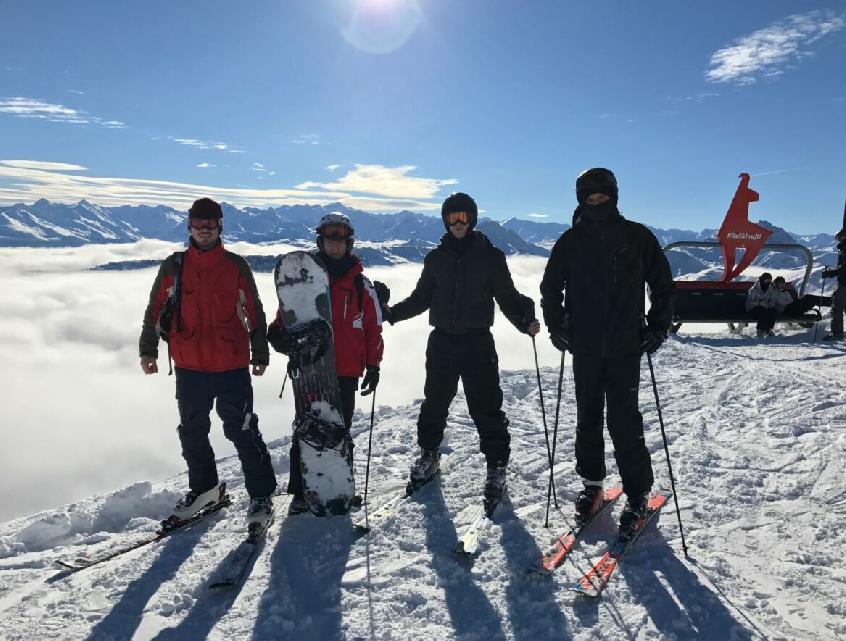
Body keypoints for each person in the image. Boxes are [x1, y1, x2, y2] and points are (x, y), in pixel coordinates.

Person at [380, 192, 539, 516]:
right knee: (435, 403)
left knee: (486, 407)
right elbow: (421, 297)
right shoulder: (435, 259)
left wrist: (525, 320)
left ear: (473, 219)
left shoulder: (491, 257)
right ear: (445, 221)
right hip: (442, 343)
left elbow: (507, 297)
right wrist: (390, 313)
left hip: (478, 343)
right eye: (452, 218)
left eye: (463, 217)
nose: (458, 223)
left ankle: (496, 467)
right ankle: (429, 456)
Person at [540, 167, 675, 536]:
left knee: (623, 420)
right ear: (581, 199)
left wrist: (658, 326)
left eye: (602, 196)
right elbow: (550, 289)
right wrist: (556, 327)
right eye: (590, 197)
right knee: (587, 418)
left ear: (614, 196)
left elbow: (663, 286)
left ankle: (637, 494)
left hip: (624, 346)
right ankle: (593, 486)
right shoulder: (571, 241)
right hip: (584, 345)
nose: (596, 202)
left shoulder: (637, 237)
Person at [139, 197, 277, 528]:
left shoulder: (235, 265)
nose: (204, 230)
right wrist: (148, 350)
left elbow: (254, 311)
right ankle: (204, 489)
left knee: (242, 430)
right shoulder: (174, 267)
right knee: (192, 431)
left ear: (219, 227)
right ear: (189, 227)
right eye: (198, 225)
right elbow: (155, 307)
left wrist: (260, 353)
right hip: (189, 366)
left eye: (210, 225)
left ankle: (261, 495)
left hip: (230, 364)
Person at [267, 212, 384, 514]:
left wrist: (373, 365)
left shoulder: (360, 285)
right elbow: (287, 318)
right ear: (321, 240)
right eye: (330, 236)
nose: (335, 242)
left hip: (346, 370)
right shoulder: (304, 281)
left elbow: (372, 327)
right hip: (310, 369)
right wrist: (278, 336)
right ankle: (300, 491)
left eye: (341, 236)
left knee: (338, 428)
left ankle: (338, 485)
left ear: (349, 241)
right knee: (305, 428)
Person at [745, 272, 777, 337]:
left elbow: (773, 300)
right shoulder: (755, 288)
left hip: (766, 307)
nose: (768, 282)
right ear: (762, 280)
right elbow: (750, 301)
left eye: (769, 280)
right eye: (767, 280)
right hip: (752, 309)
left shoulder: (771, 288)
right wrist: (759, 303)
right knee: (763, 310)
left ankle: (768, 329)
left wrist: (769, 305)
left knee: (772, 310)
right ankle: (760, 330)